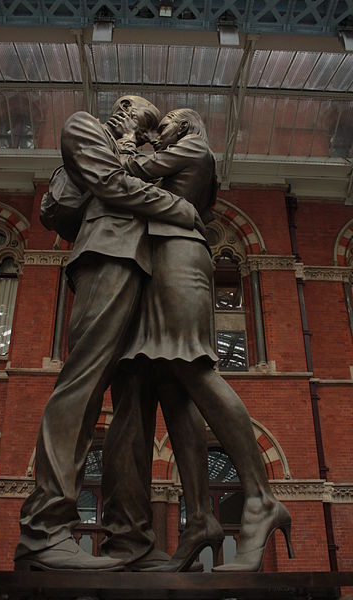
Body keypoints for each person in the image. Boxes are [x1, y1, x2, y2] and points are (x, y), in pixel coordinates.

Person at [14, 96, 206, 572]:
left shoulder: (145, 155)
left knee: (135, 409)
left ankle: (131, 541)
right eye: (134, 111)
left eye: (144, 119)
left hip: (146, 270)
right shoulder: (85, 128)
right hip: (107, 257)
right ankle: (44, 529)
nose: (135, 120)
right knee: (82, 383)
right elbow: (110, 183)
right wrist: (177, 208)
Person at [102, 108, 294, 573]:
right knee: (171, 384)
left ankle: (261, 500)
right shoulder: (184, 155)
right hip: (162, 260)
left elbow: (126, 173)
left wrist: (129, 138)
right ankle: (201, 520)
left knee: (192, 366)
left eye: (164, 124)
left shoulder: (193, 147)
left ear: (185, 125)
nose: (157, 132)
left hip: (180, 259)